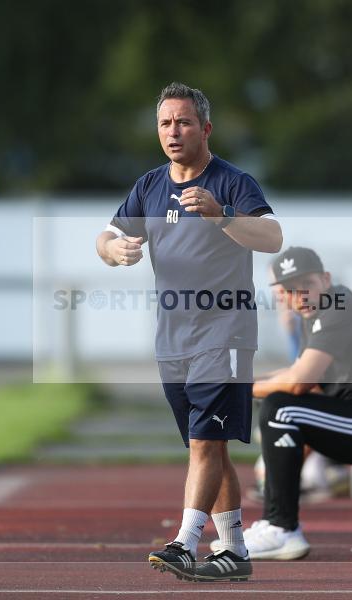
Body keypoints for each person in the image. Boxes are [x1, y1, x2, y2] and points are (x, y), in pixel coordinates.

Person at [95, 82, 282, 582]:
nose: (174, 131)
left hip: (226, 331)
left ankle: (185, 542)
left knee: (204, 443)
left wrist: (223, 218)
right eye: (165, 123)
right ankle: (236, 551)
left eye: (183, 122)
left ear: (205, 128)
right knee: (211, 446)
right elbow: (108, 236)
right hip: (172, 337)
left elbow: (272, 236)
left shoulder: (233, 182)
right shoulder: (150, 185)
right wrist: (112, 250)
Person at [210, 247, 352, 559]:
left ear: (325, 279)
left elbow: (299, 382)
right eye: (287, 289)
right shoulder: (314, 315)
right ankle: (276, 523)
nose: (298, 294)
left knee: (280, 408)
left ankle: (282, 528)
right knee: (278, 404)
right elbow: (297, 374)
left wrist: (235, 389)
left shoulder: (338, 308)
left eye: (305, 284)